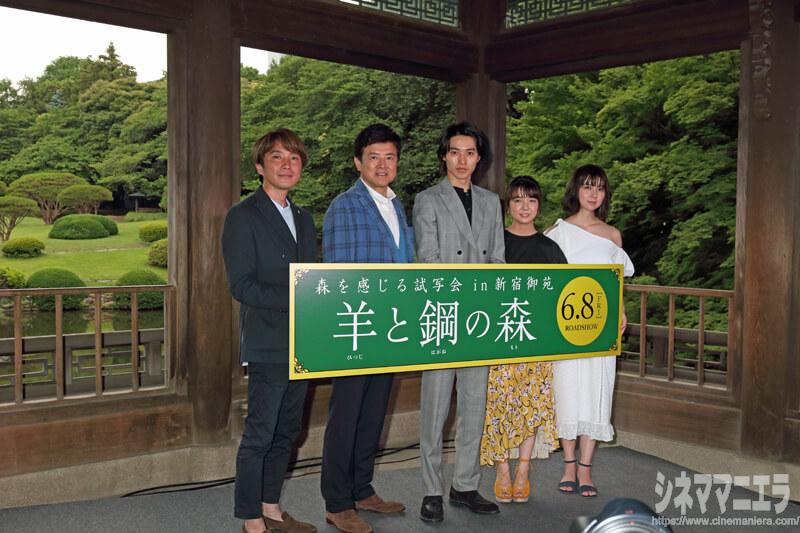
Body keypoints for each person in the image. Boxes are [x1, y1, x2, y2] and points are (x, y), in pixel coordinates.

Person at [222, 128, 318, 533]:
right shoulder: (243, 216)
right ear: (260, 166)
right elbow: (241, 286)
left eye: (294, 158)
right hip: (267, 340)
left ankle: (271, 506)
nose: (287, 165)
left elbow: (313, 278)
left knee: (288, 431)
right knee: (260, 433)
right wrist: (298, 294)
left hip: (304, 341)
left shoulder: (304, 218)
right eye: (277, 157)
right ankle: (250, 519)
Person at [320, 123, 414, 533]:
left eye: (389, 157)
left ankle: (362, 489)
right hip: (357, 326)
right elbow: (339, 272)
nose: (382, 164)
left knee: (373, 412)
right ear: (358, 162)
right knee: (346, 415)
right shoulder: (344, 206)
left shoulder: (397, 205)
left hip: (390, 327)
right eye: (373, 157)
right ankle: (337, 502)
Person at [412, 121, 504, 523]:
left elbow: (498, 259)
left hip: (479, 317)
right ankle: (431, 489)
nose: (462, 160)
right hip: (443, 312)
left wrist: (487, 302)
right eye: (455, 152)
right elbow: (428, 260)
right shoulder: (427, 199)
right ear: (444, 156)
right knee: (435, 406)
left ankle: (465, 484)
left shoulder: (491, 201)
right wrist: (461, 295)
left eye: (470, 152)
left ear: (479, 158)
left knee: (474, 404)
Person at [545, 164, 634, 498]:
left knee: (598, 391)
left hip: (600, 325)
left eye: (599, 188)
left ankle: (585, 467)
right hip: (566, 326)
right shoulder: (557, 232)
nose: (593, 194)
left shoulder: (612, 235)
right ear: (576, 191)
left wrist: (621, 311)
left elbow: (615, 281)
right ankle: (568, 465)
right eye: (587, 187)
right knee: (567, 389)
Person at [480, 176, 565, 504]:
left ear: (539, 205)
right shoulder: (495, 244)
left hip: (536, 340)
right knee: (498, 404)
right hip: (500, 335)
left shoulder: (550, 249)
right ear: (508, 206)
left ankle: (524, 470)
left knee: (531, 406)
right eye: (517, 200)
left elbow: (562, 297)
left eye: (531, 200)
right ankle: (502, 469)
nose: (525, 206)